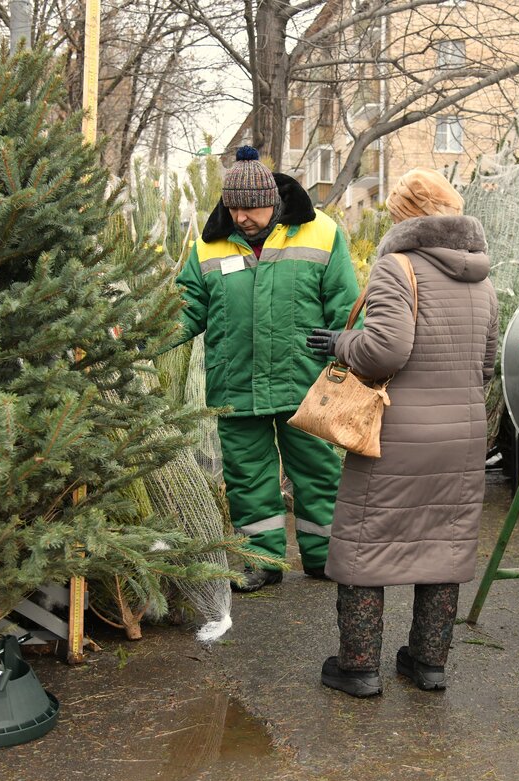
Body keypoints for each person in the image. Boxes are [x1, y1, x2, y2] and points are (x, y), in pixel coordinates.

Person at [306, 167, 499, 696]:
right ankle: (428, 663)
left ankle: (359, 666)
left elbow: (385, 350)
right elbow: (487, 366)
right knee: (444, 544)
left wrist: (341, 343)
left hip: (397, 433)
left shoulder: (398, 267)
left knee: (366, 543)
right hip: (461, 437)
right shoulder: (481, 278)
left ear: (406, 215)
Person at [175, 146, 360, 592]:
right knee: (247, 477)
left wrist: (352, 355)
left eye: (250, 208)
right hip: (235, 386)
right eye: (233, 208)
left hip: (307, 384)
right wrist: (136, 336)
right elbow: (184, 310)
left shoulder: (322, 234)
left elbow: (346, 306)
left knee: (318, 472)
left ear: (273, 199)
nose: (240, 217)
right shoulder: (208, 246)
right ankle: (262, 561)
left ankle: (325, 557)